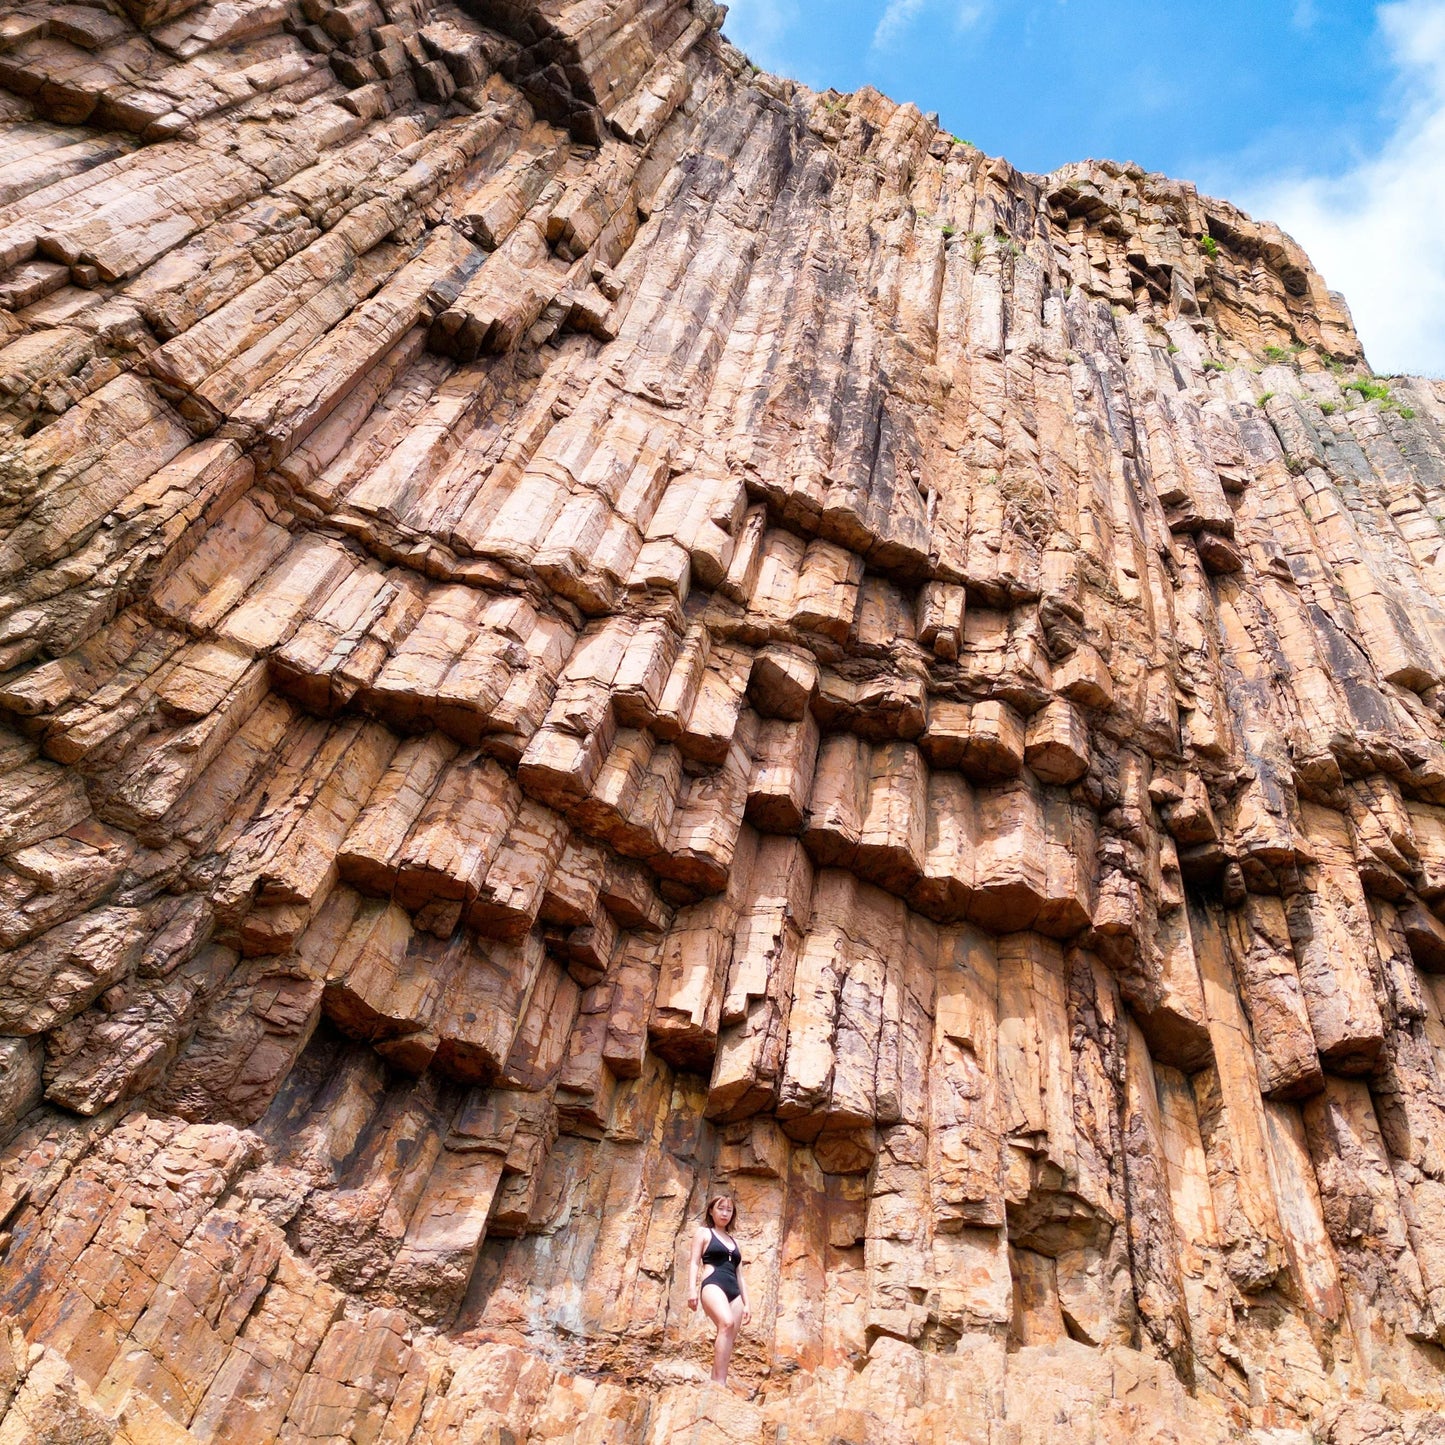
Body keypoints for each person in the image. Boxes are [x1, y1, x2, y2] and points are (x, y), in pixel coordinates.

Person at [687, 1193, 750, 1386]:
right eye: (721, 1209)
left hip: (734, 1290)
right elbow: (694, 1263)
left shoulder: (734, 1241)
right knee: (727, 1323)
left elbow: (740, 1275)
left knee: (729, 1335)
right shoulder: (704, 1233)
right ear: (711, 1211)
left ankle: (716, 1380)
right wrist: (691, 1290)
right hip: (713, 1282)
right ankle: (720, 1383)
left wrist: (748, 1303)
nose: (725, 1213)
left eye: (729, 1210)